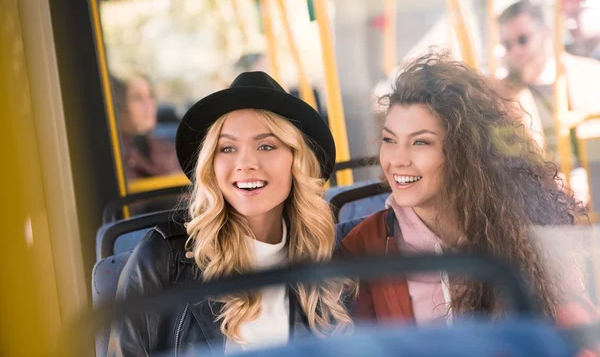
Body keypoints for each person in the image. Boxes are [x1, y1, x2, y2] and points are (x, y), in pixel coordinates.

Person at [338, 52, 597, 327]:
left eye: (420, 143)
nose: (397, 159)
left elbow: (576, 328)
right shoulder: (363, 247)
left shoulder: (522, 230)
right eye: (389, 140)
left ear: (464, 153)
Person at [108, 72, 353, 356]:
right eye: (227, 148)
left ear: (296, 160)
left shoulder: (325, 258)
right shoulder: (162, 259)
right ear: (211, 164)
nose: (245, 163)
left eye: (266, 146)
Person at [497, 0, 600, 206]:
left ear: (546, 33)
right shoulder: (499, 97)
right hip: (545, 212)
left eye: (523, 39)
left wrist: (590, 181)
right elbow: (502, 169)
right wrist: (553, 184)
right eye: (508, 45)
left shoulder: (591, 75)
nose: (515, 51)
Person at [112, 75, 181, 180]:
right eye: (137, 98)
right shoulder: (116, 155)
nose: (148, 105)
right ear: (118, 104)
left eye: (151, 96)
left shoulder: (163, 148)